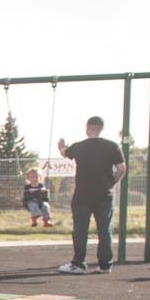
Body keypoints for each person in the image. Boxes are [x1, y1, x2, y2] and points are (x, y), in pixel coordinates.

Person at [55, 117, 126, 274]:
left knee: (80, 229)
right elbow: (121, 169)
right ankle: (105, 264)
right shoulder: (112, 146)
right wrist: (111, 184)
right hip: (104, 194)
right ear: (101, 128)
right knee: (105, 230)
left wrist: (61, 147)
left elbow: (65, 152)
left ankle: (79, 263)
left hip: (83, 194)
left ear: (87, 128)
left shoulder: (79, 147)